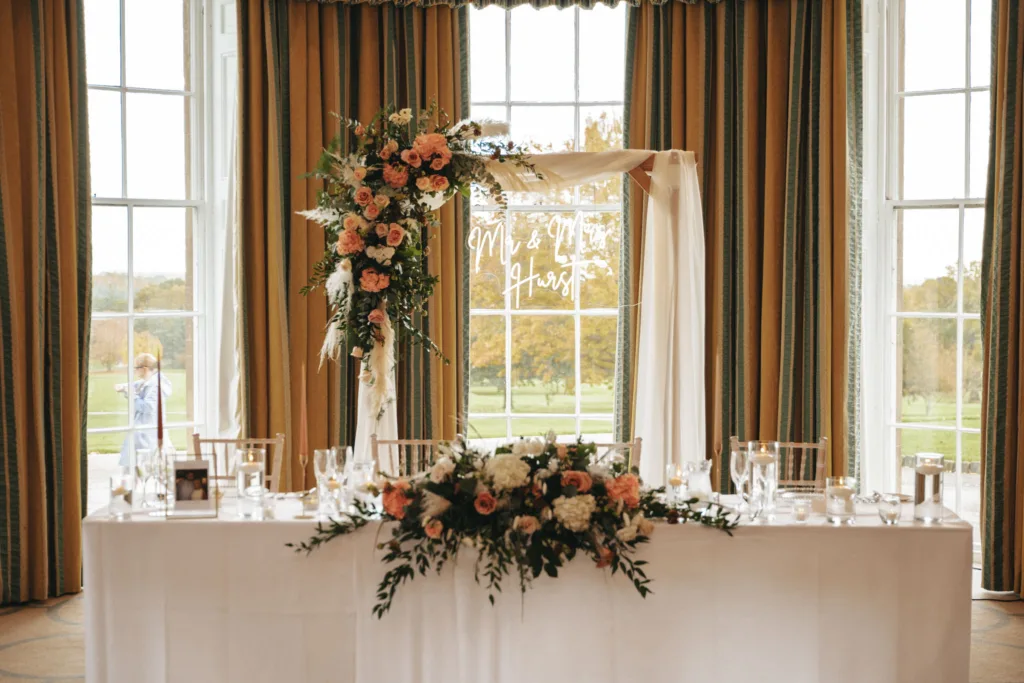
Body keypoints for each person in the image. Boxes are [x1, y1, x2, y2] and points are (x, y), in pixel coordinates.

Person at [117, 353, 173, 468]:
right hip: (144, 434)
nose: (135, 371)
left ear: (145, 369)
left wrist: (131, 394)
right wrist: (124, 387)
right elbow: (138, 385)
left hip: (148, 435)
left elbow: (148, 408)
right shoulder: (149, 381)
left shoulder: (156, 386)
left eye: (136, 368)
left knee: (145, 469)